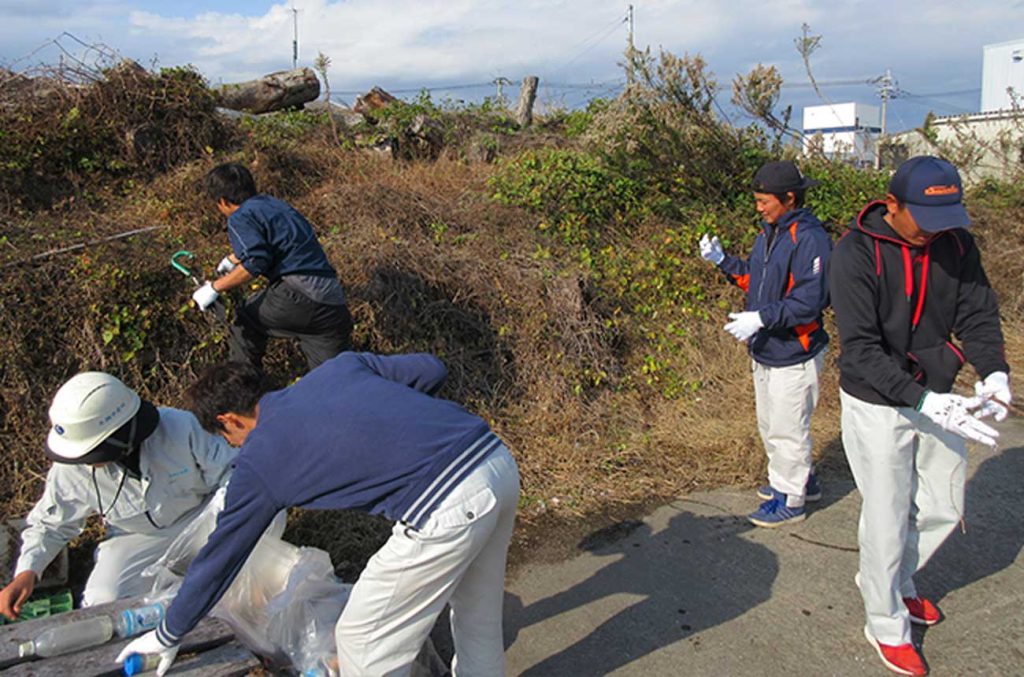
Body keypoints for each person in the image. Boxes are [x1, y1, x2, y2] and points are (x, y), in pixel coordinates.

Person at [117, 353, 521, 677]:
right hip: (494, 460)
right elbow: (432, 368)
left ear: (228, 420)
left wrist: (168, 634)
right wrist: (386, 422)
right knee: (476, 615)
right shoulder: (339, 369)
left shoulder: (261, 460)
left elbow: (221, 556)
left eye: (228, 438)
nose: (234, 446)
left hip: (449, 506)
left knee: (363, 641)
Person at [828, 156, 1010, 676]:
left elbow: (977, 312)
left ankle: (894, 581)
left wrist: (993, 370)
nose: (936, 232)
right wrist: (922, 399)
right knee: (886, 515)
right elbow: (860, 349)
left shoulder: (955, 242)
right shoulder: (856, 252)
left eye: (948, 217)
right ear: (892, 206)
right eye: (925, 221)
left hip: (939, 394)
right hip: (877, 402)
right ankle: (885, 622)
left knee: (945, 505)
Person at [0, 372, 236, 619]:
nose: (85, 462)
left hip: (205, 518)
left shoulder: (180, 427)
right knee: (104, 602)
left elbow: (233, 473)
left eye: (91, 452)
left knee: (256, 528)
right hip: (138, 537)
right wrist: (27, 572)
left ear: (121, 436)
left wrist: (222, 523)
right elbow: (50, 524)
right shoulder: (70, 468)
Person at [698, 160, 832, 527]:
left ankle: (791, 499)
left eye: (763, 201)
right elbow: (755, 280)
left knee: (789, 427)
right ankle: (794, 480)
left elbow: (810, 300)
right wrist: (723, 261)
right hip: (767, 347)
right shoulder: (769, 232)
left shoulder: (809, 238)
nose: (758, 207)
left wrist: (761, 318)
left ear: (789, 199)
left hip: (795, 350)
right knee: (771, 423)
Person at [192, 162, 353, 370]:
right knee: (335, 378)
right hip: (331, 300)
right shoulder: (275, 205)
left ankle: (245, 392)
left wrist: (214, 288)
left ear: (222, 201)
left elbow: (256, 262)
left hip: (298, 296)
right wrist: (234, 259)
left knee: (243, 319)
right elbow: (280, 242)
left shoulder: (239, 217)